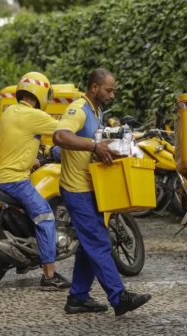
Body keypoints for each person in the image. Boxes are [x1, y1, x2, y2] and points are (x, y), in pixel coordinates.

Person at [53, 68, 151, 315]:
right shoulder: (78, 109)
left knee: (89, 244)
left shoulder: (97, 113)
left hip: (91, 187)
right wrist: (95, 146)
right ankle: (119, 298)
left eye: (114, 89)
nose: (113, 94)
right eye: (109, 89)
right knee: (98, 241)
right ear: (94, 88)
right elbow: (60, 136)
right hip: (76, 189)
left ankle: (78, 297)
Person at [0, 71, 71, 290]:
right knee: (46, 217)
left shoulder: (10, 112)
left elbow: (19, 142)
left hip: (0, 175)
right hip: (15, 179)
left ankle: (24, 258)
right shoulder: (33, 116)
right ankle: (49, 276)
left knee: (33, 213)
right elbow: (65, 132)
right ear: (41, 93)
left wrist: (34, 159)